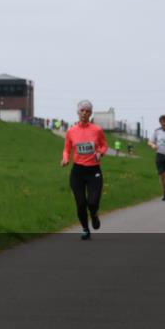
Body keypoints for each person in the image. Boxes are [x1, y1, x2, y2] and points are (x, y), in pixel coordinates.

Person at [61, 100, 108, 240]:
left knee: (92, 203)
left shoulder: (97, 130)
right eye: (82, 110)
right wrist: (65, 159)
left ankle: (94, 215)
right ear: (78, 112)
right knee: (81, 203)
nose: (84, 113)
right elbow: (67, 149)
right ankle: (85, 229)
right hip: (78, 172)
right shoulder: (71, 131)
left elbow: (104, 146)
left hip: (94, 171)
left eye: (87, 111)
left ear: (90, 113)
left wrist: (100, 153)